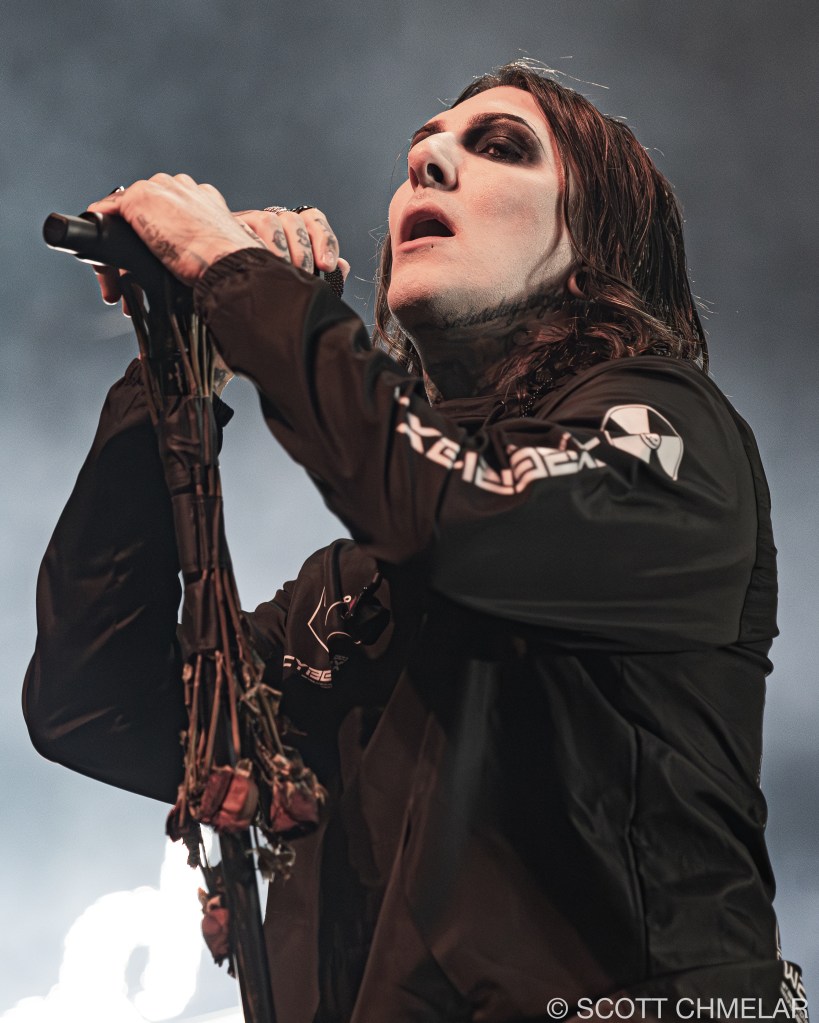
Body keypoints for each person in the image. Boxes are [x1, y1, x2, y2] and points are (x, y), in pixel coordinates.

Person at [23, 61, 808, 1023]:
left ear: (592, 248)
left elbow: (458, 514)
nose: (428, 162)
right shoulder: (348, 595)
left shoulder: (666, 436)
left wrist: (234, 273)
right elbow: (94, 700)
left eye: (500, 147)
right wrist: (178, 375)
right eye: (420, 151)